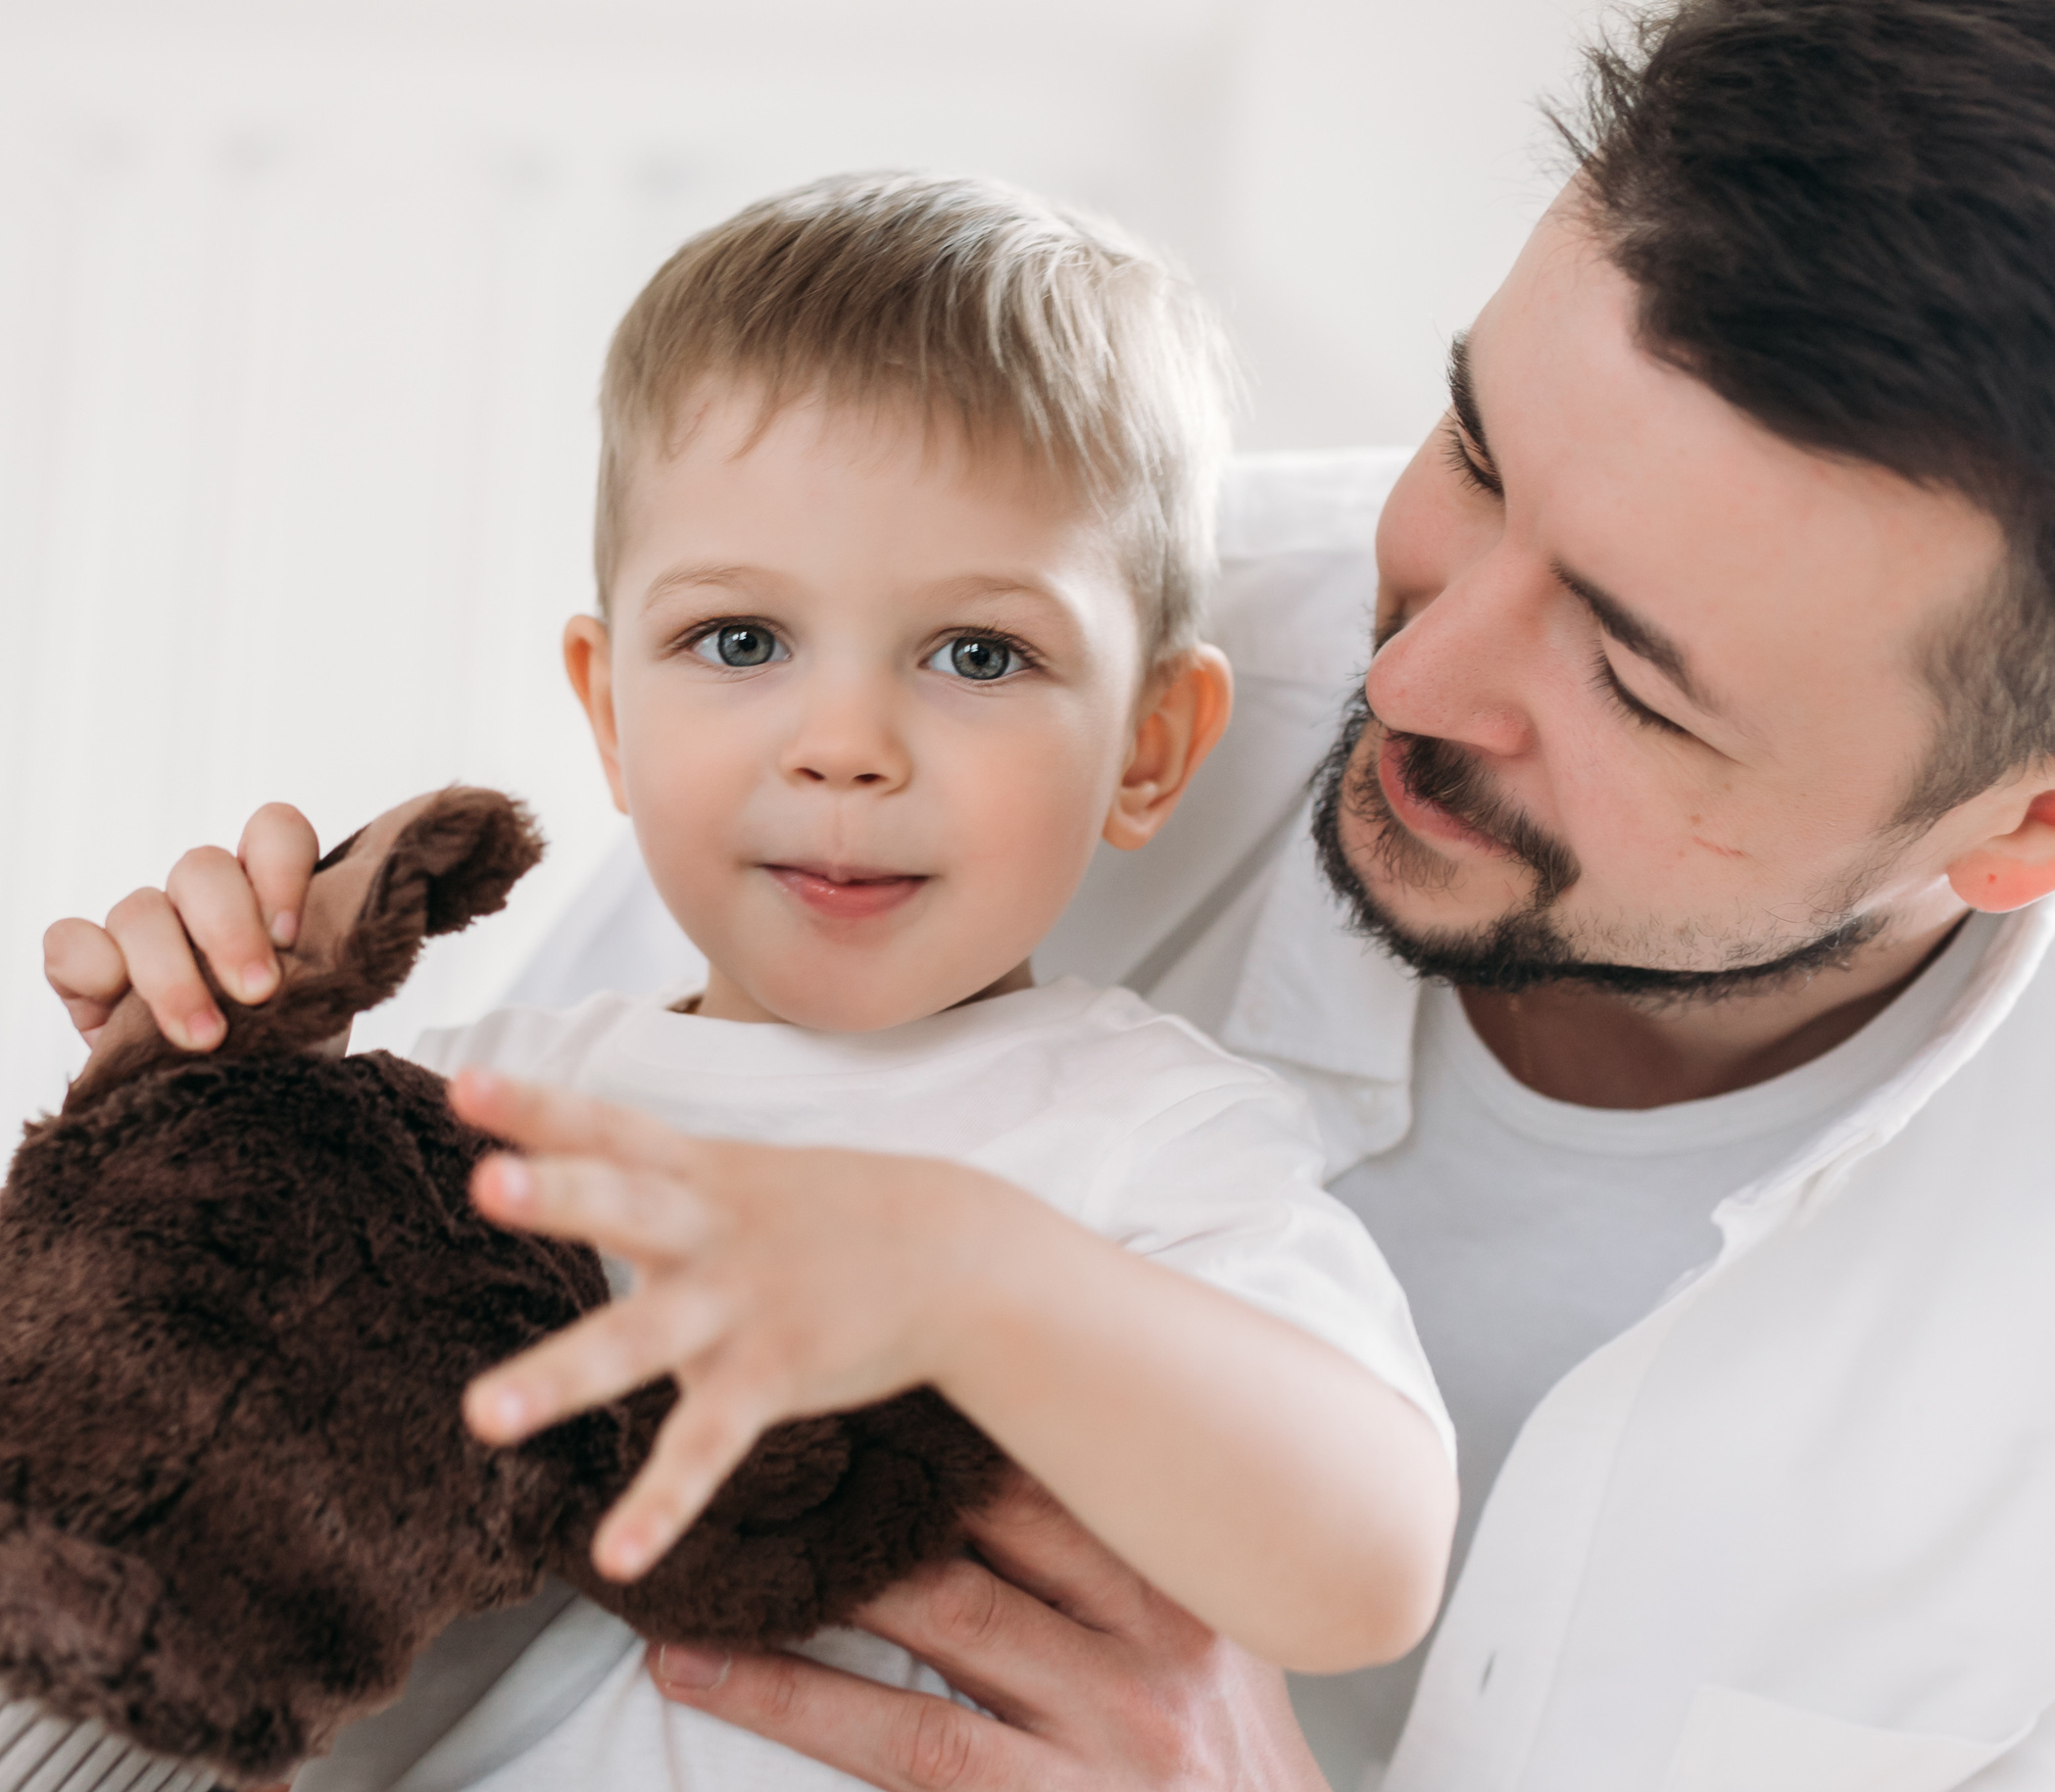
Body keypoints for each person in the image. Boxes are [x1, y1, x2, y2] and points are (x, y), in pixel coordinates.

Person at [46, 1, 2055, 1788]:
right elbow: (399, 1448)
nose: (1409, 662)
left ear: (2040, 827)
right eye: (1472, 445)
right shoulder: (1036, 656)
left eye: (1635, 682)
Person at [44, 171, 1458, 1791]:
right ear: (609, 713)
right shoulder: (481, 1094)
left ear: (1148, 748)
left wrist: (976, 1275)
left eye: (977, 653)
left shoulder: (1139, 1137)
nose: (843, 744)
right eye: (738, 641)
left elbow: (1369, 1565)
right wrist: (176, 1131)